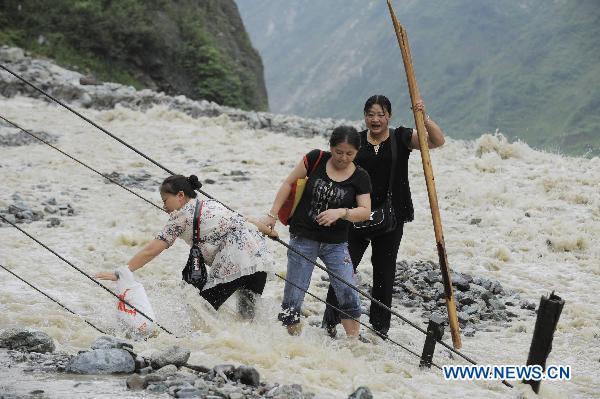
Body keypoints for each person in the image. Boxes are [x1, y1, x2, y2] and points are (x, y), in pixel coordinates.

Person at [322, 95, 446, 339]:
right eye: (371, 114)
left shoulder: (401, 137)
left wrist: (424, 117)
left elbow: (436, 141)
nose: (375, 119)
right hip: (356, 215)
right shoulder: (356, 141)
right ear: (365, 116)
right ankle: (330, 324)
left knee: (384, 274)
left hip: (391, 217)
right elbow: (336, 169)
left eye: (381, 114)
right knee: (343, 270)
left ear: (389, 116)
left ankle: (379, 331)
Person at [95, 174, 277, 316]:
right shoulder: (210, 204)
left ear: (180, 196)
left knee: (201, 310)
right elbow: (246, 221)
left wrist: (122, 272)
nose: (164, 207)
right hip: (259, 260)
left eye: (165, 200)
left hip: (237, 263)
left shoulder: (180, 217)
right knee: (248, 315)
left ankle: (210, 348)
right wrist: (270, 232)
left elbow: (152, 250)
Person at [261, 126, 372, 338]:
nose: (343, 158)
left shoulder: (360, 176)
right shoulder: (316, 158)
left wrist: (341, 212)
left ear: (357, 153)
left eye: (350, 154)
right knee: (294, 293)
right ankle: (289, 341)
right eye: (339, 152)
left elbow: (365, 211)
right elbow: (288, 184)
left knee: (347, 289)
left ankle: (354, 342)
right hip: (303, 237)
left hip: (336, 243)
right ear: (331, 147)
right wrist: (272, 215)